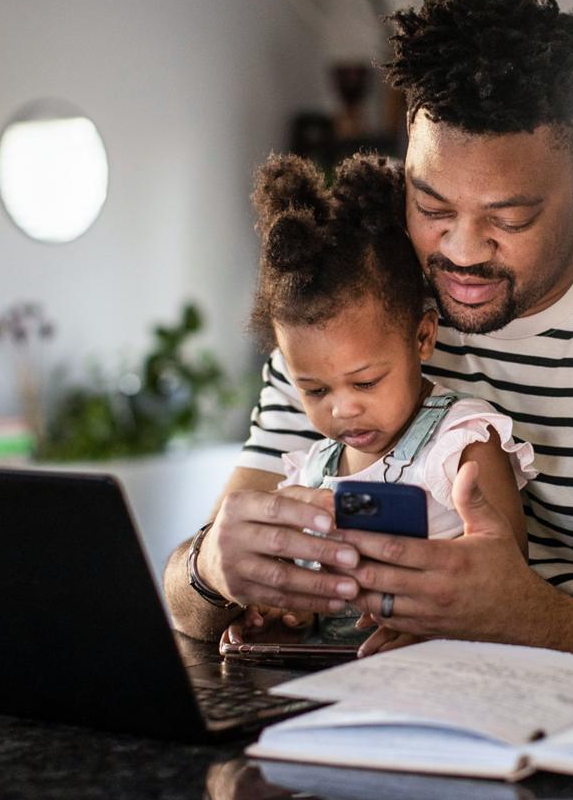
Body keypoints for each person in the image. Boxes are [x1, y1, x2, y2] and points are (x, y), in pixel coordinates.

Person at [165, 0, 573, 682]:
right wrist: (212, 568)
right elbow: (185, 606)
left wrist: (528, 619)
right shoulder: (354, 314)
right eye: (431, 203)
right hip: (402, 715)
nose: (464, 251)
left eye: (509, 218)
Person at [226, 151, 535, 655]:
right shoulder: (311, 472)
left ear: (422, 337)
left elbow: (507, 589)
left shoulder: (461, 445)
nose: (342, 410)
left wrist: (434, 627)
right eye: (316, 390)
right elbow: (306, 594)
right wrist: (283, 616)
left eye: (365, 383)